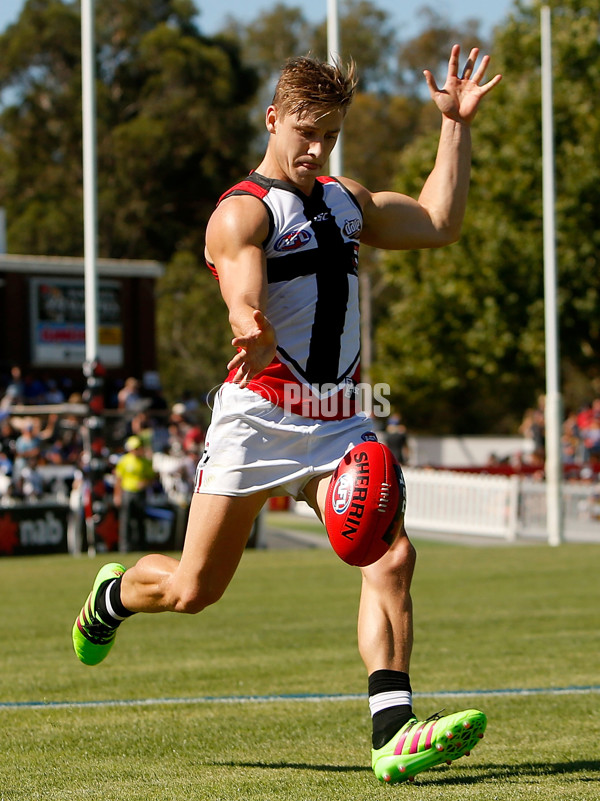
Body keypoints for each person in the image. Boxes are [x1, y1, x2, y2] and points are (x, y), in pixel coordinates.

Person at [72, 46, 501, 784]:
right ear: (272, 119)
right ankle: (111, 596)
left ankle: (392, 729)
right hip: (258, 419)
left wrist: (453, 127)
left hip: (339, 420)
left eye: (329, 134)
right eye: (304, 130)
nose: (315, 148)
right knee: (192, 590)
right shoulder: (242, 210)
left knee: (392, 554)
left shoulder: (344, 200)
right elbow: (240, 286)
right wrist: (248, 324)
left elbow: (437, 221)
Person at [112, 435, 156, 553]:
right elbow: (118, 479)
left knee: (140, 521)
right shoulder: (124, 461)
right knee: (125, 521)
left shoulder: (145, 462)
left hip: (140, 494)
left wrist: (145, 483)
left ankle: (141, 546)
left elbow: (152, 477)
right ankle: (124, 547)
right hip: (127, 492)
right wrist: (117, 495)